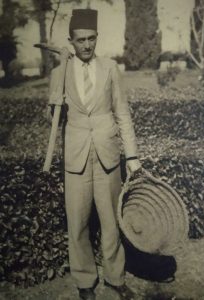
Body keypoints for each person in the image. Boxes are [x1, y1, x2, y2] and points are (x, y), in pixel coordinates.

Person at [48, 8, 141, 300]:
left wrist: (132, 155)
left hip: (107, 154)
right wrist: (55, 100)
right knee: (77, 222)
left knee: (112, 219)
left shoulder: (110, 68)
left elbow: (122, 111)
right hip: (76, 156)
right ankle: (85, 282)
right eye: (80, 40)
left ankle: (115, 277)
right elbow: (51, 120)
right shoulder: (59, 71)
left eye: (91, 38)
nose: (86, 45)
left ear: (96, 37)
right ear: (71, 41)